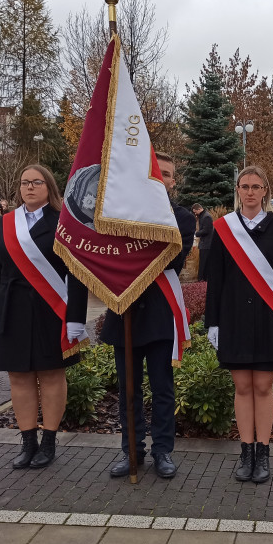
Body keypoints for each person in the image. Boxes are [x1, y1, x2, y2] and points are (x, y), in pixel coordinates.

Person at [0, 165, 88, 470]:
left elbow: (76, 273)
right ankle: (27, 441)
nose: (29, 187)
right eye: (25, 182)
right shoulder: (6, 223)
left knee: (51, 374)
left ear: (49, 187)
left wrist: (77, 316)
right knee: (19, 376)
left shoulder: (64, 222)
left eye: (37, 182)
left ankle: (49, 441)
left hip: (51, 310)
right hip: (11, 309)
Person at [101, 152, 195, 479]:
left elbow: (172, 259)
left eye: (167, 174)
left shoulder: (182, 217)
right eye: (157, 173)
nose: (163, 179)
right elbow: (109, 255)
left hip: (159, 314)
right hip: (125, 311)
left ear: (172, 182)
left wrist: (134, 248)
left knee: (162, 388)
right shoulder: (121, 215)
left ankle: (163, 451)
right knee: (128, 390)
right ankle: (132, 451)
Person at [205, 165, 273, 484]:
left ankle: (264, 452)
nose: (249, 192)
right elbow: (215, 279)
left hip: (270, 320)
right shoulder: (223, 228)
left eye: (256, 186)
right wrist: (213, 323)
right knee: (242, 387)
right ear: (238, 191)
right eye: (244, 186)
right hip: (233, 320)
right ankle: (246, 452)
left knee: (263, 386)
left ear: (265, 191)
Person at [191, 203, 213, 281]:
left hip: (206, 244)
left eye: (195, 212)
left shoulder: (206, 217)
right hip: (205, 243)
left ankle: (201, 278)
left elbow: (206, 230)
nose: (195, 214)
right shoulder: (204, 216)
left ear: (199, 209)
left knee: (204, 262)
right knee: (204, 262)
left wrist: (196, 233)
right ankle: (203, 278)